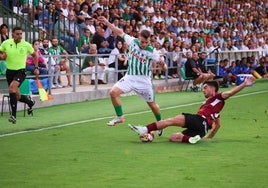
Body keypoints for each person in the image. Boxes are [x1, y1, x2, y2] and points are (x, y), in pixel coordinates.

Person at [129, 77, 255, 144]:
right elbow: (218, 125)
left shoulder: (218, 96)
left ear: (213, 88)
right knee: (173, 137)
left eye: (205, 88)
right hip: (203, 129)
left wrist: (244, 84)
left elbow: (231, 92)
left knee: (170, 120)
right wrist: (208, 137)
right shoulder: (215, 107)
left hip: (200, 120)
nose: (203, 90)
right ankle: (191, 139)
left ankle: (144, 129)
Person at [97, 16, 167, 137]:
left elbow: (164, 68)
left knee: (152, 105)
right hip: (130, 77)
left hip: (144, 82)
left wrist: (162, 65)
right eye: (142, 41)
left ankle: (160, 123)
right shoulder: (132, 41)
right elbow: (118, 31)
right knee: (113, 92)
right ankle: (120, 117)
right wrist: (107, 22)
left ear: (149, 41)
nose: (143, 44)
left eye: (146, 42)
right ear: (139, 38)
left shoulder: (153, 52)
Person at [0, 27, 39, 124]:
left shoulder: (26, 45)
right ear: (12, 34)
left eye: (21, 34)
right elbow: (1, 52)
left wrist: (36, 67)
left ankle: (13, 116)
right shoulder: (6, 43)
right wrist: (2, 56)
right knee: (16, 95)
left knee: (12, 89)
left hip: (21, 71)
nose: (19, 36)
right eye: (17, 34)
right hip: (9, 71)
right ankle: (30, 103)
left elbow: (34, 55)